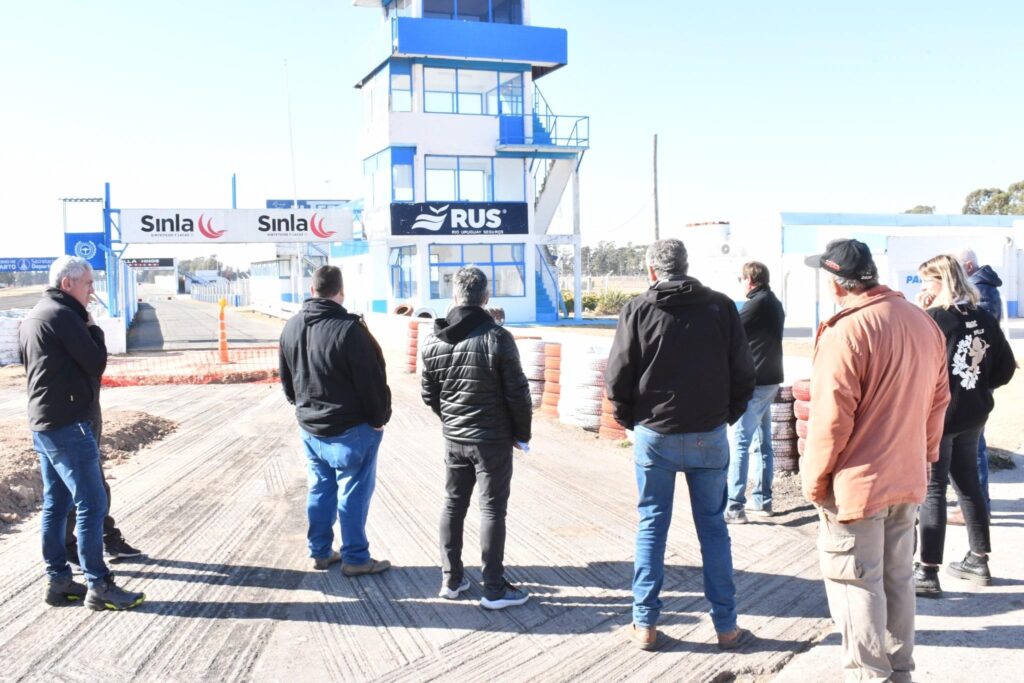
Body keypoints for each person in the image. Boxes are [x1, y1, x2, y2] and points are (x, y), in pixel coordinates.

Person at [802, 239, 949, 682]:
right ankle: (899, 670)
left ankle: (871, 675)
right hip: (906, 477)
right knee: (897, 578)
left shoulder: (846, 331)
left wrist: (815, 481)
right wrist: (924, 456)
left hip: (858, 486)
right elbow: (938, 403)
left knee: (856, 583)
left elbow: (831, 420)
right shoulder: (922, 322)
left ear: (835, 284)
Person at [605, 238, 756, 651]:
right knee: (714, 529)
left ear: (652, 271)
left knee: (652, 526)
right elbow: (744, 371)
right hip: (709, 434)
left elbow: (617, 375)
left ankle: (645, 624)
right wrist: (725, 415)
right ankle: (726, 627)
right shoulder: (721, 307)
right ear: (686, 266)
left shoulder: (638, 309)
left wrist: (631, 420)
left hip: (655, 435)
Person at [19, 256, 146, 610]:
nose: (92, 291)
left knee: (56, 504)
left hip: (43, 423)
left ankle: (58, 581)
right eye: (88, 284)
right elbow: (96, 363)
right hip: (69, 424)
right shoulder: (65, 316)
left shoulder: (34, 316)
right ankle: (99, 585)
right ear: (67, 284)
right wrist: (94, 328)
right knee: (92, 503)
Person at [420, 267, 533, 610]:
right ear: (485, 297)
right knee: (492, 509)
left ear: (454, 296)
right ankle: (494, 589)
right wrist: (522, 434)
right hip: (492, 439)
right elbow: (518, 393)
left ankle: (451, 579)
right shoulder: (498, 337)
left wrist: (452, 420)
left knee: (453, 504)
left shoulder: (433, 339)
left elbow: (429, 395)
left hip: (454, 437)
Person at [279, 265, 392, 577]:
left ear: (312, 291)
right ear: (341, 292)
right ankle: (356, 558)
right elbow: (372, 382)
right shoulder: (350, 330)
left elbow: (287, 381)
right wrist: (378, 419)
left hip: (310, 428)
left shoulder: (291, 326)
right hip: (350, 429)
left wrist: (304, 409)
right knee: (352, 493)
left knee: (320, 488)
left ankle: (320, 551)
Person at [913, 255, 1015, 597]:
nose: (922, 288)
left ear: (941, 281)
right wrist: (976, 386)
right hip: (973, 414)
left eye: (926, 281)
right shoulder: (982, 316)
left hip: (940, 417)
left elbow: (917, 369)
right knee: (968, 484)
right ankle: (978, 559)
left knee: (933, 490)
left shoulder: (933, 319)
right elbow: (1005, 368)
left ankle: (928, 570)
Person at [725, 261, 786, 523]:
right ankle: (762, 500)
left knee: (740, 442)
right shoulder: (774, 302)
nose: (741, 284)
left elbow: (731, 332)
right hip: (771, 380)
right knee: (762, 443)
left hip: (755, 384)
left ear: (749, 280)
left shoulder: (755, 304)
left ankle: (735, 506)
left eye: (741, 279)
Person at [954, 247, 1004, 516]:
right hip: (976, 374)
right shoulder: (980, 287)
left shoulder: (979, 290)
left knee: (973, 443)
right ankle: (975, 504)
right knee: (972, 441)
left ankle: (977, 506)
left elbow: (976, 336)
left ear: (969, 266)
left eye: (957, 265)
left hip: (976, 375)